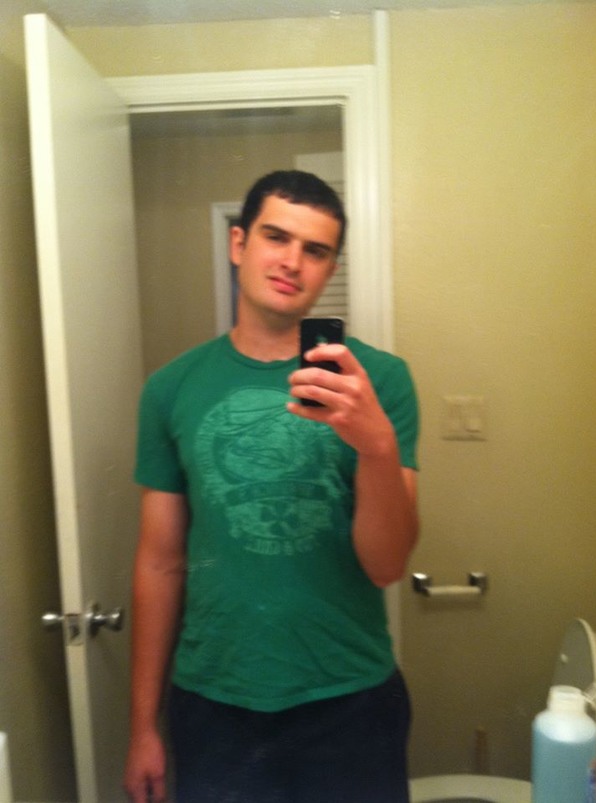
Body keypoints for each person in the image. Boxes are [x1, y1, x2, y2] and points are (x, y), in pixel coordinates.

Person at [124, 170, 419, 803]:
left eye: (316, 250)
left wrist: (377, 446)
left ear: (330, 267)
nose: (292, 261)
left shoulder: (381, 382)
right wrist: (142, 724)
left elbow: (387, 564)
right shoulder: (170, 389)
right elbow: (159, 562)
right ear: (239, 243)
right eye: (276, 237)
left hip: (350, 697)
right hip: (214, 699)